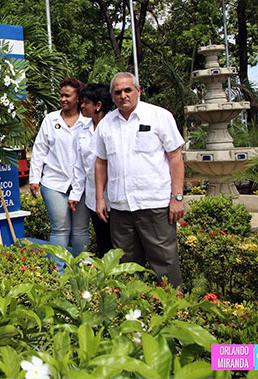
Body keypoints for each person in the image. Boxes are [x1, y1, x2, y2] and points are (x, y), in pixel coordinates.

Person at [93, 72, 185, 288]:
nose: (123, 95)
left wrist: (177, 197)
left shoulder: (159, 116)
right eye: (118, 92)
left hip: (154, 205)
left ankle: (174, 312)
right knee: (127, 266)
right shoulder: (107, 123)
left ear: (138, 91)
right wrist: (100, 198)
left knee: (165, 262)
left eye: (128, 90)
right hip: (120, 208)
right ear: (112, 96)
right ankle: (135, 313)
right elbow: (100, 163)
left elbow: (175, 157)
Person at [29, 78, 91, 270]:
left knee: (81, 230)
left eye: (67, 95)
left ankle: (83, 271)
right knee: (60, 228)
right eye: (61, 95)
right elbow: (39, 150)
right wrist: (34, 179)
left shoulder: (88, 121)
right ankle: (58, 271)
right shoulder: (51, 120)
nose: (62, 99)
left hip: (82, 184)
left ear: (78, 98)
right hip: (54, 183)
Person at [67, 83, 114, 258]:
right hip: (94, 197)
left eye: (86, 102)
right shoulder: (83, 130)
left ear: (98, 105)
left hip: (116, 197)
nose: (82, 106)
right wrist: (76, 193)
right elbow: (80, 167)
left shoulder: (113, 127)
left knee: (119, 242)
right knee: (102, 241)